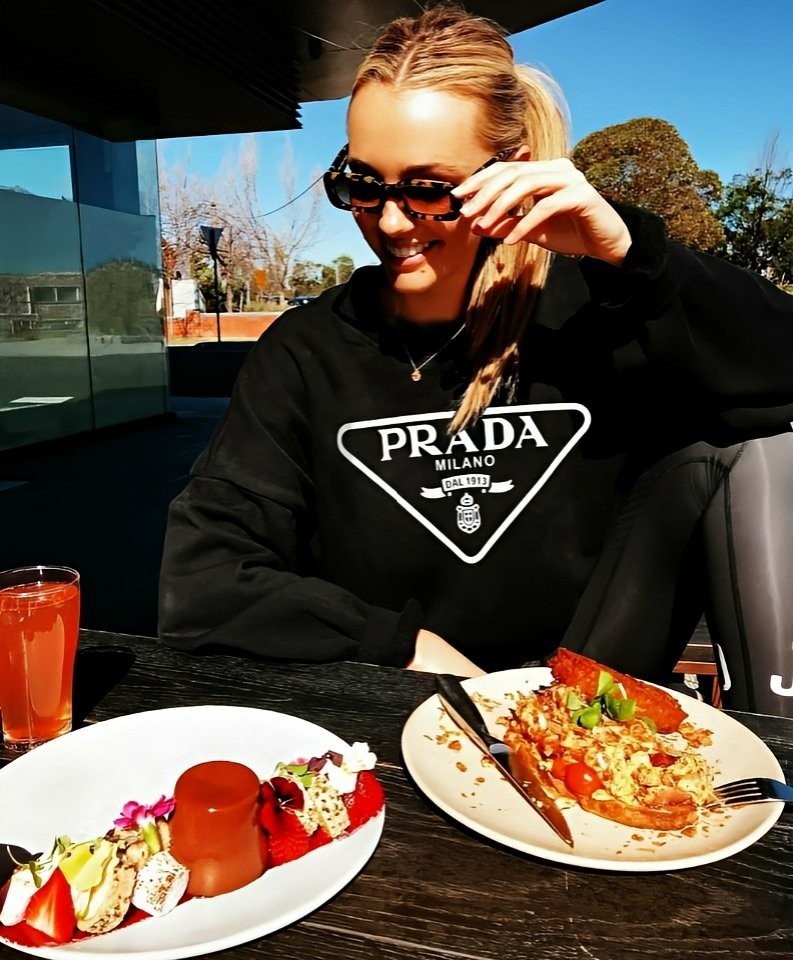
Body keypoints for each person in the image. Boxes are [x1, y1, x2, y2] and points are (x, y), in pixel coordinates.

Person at [158, 3, 793, 716]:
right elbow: (203, 579)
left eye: (429, 189)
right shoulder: (305, 351)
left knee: (760, 452)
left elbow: (775, 382)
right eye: (362, 184)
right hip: (398, 704)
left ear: (510, 174)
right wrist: (404, 647)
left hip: (585, 698)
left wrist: (628, 252)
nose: (390, 221)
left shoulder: (597, 312)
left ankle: (775, 751)